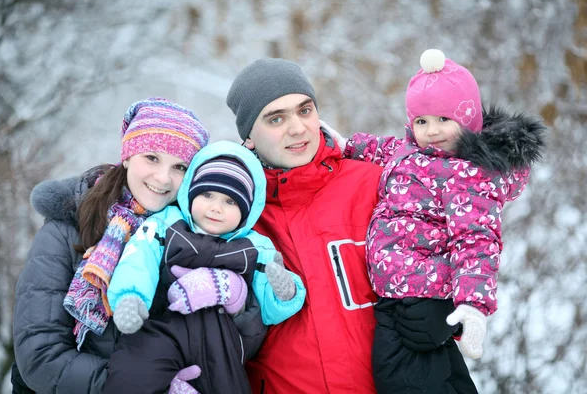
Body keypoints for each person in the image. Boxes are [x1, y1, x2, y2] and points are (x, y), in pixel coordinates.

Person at [226, 57, 450, 394]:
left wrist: (441, 303)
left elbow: (463, 242)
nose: (298, 128)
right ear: (249, 137)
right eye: (276, 118)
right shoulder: (236, 218)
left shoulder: (377, 186)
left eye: (305, 110)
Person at [12, 97, 263, 393]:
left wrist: (238, 301)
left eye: (180, 166)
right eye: (152, 158)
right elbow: (40, 356)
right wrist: (148, 385)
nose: (163, 178)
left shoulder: (196, 238)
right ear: (128, 156)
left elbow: (238, 348)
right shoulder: (66, 231)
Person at [332, 49, 546, 392]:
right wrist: (347, 144)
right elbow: (382, 149)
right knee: (431, 379)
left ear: (469, 121)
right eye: (422, 121)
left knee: (399, 379)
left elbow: (477, 241)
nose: (432, 131)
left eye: (444, 120)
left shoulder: (469, 176)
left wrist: (473, 306)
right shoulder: (410, 153)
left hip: (423, 296)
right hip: (395, 295)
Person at [102, 140, 306, 394]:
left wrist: (285, 292)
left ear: (247, 210)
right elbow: (138, 258)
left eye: (230, 202)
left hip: (221, 342)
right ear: (191, 192)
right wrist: (130, 297)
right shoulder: (167, 225)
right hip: (160, 327)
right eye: (207, 194)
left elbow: (267, 312)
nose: (215, 207)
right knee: (132, 376)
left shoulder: (255, 247)